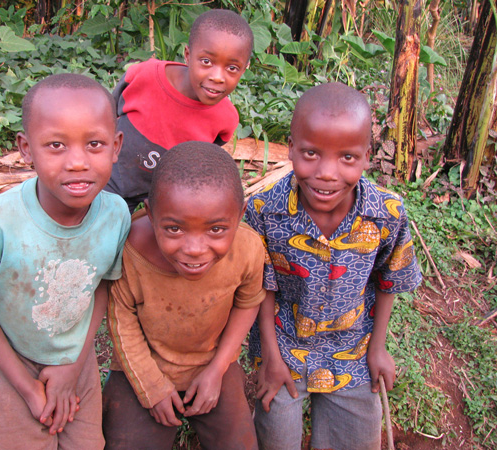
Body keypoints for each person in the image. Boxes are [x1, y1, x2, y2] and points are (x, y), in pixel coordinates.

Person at [0, 73, 130, 450]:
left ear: (116, 146)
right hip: (12, 360)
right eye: (56, 145)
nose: (77, 162)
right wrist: (28, 389)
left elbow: (101, 287)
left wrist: (73, 366)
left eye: (94, 144)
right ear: (26, 148)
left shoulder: (116, 215)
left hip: (77, 360)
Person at [245, 82, 423, 450]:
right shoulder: (263, 211)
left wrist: (378, 348)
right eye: (311, 153)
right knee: (276, 439)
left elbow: (388, 280)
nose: (327, 173)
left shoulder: (386, 214)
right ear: (290, 147)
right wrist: (270, 356)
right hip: (284, 350)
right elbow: (261, 287)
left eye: (347, 157)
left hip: (354, 351)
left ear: (367, 156)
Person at [103, 142, 265, 450]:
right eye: (175, 229)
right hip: (142, 364)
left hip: (212, 361)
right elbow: (121, 322)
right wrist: (151, 387)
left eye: (216, 229)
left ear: (240, 215)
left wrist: (217, 369)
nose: (194, 249)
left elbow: (248, 304)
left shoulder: (248, 249)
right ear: (151, 215)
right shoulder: (129, 251)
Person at [105, 9, 253, 212]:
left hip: (163, 201)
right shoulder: (145, 76)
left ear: (244, 68)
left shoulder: (225, 118)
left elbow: (202, 156)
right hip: (110, 178)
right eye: (206, 61)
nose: (218, 77)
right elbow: (108, 114)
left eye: (232, 68)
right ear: (188, 55)